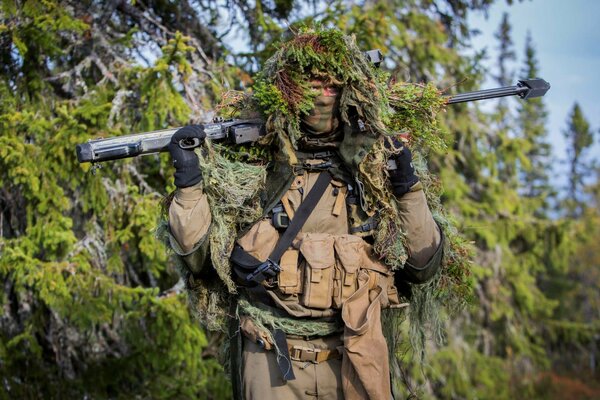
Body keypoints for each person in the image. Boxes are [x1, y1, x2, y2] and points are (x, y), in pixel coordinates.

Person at [165, 28, 443, 399]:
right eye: (311, 85)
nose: (322, 95)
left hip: (356, 359)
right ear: (288, 92)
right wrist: (189, 187)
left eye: (332, 86)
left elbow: (422, 266)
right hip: (270, 360)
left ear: (350, 91)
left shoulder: (374, 168)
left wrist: (408, 189)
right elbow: (198, 257)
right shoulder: (251, 167)